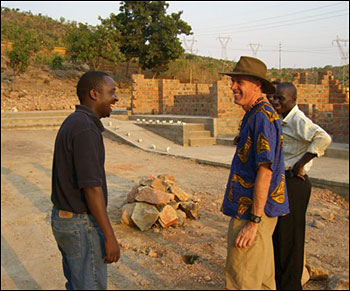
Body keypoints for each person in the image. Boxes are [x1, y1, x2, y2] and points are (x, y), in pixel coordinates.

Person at [221, 56, 290, 290]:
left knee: (242, 279)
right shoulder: (255, 113)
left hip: (251, 210)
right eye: (233, 81)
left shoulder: (261, 117)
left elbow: (265, 171)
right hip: (256, 210)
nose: (232, 87)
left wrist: (253, 222)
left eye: (239, 81)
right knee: (261, 280)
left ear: (256, 85)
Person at [51, 71, 120, 290]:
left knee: (77, 284)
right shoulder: (85, 129)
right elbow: (92, 188)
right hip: (80, 224)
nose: (115, 98)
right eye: (111, 92)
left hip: (67, 220)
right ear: (94, 94)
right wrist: (109, 236)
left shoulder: (76, 122)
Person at [271, 82, 332, 290]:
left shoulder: (298, 120)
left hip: (294, 183)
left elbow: (323, 137)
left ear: (293, 100)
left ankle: (290, 285)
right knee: (280, 235)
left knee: (291, 238)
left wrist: (301, 162)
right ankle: (281, 282)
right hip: (282, 181)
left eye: (281, 98)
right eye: (275, 97)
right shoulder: (281, 118)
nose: (276, 101)